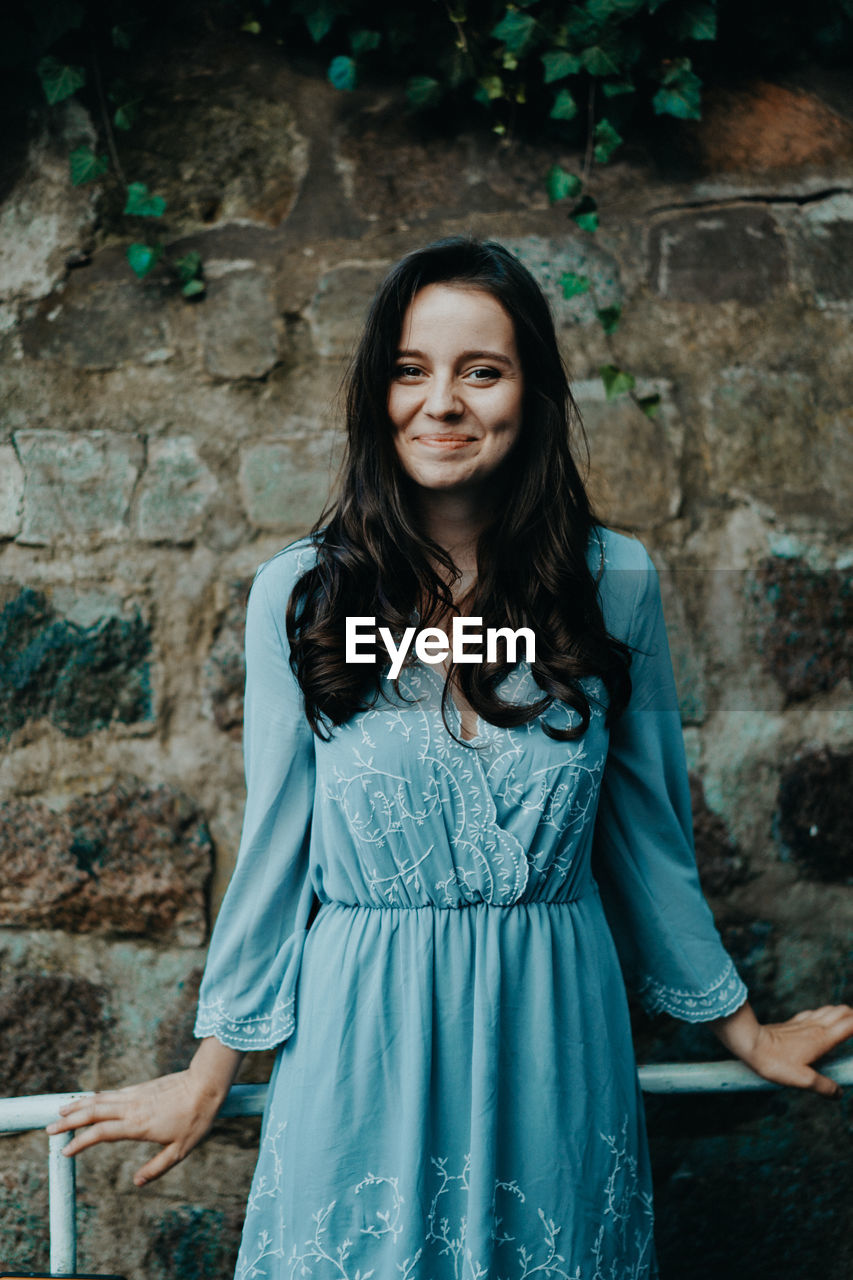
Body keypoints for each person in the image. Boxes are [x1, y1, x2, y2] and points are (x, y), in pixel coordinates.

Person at [48, 237, 853, 1280]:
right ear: (376, 392)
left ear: (532, 393)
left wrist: (740, 1028)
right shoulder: (299, 594)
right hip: (360, 1028)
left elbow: (648, 833)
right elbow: (277, 849)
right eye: (409, 369)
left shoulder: (616, 583)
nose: (443, 403)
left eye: (482, 369)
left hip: (554, 1028)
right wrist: (212, 1070)